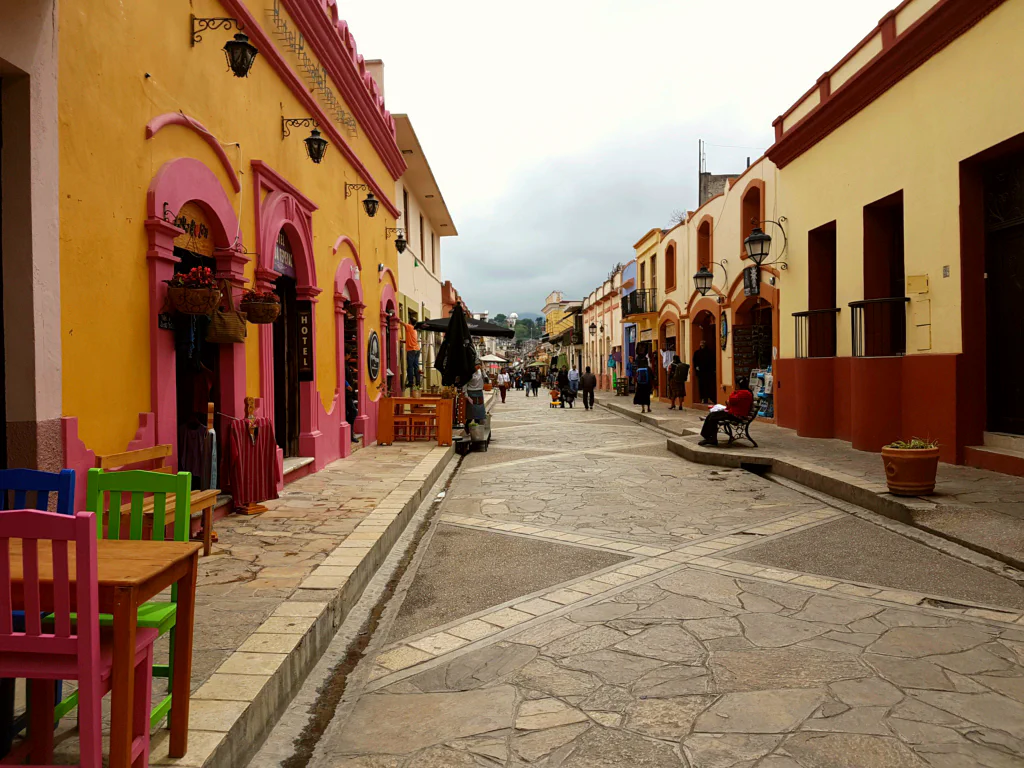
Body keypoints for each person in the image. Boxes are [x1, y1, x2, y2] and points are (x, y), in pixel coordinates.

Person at [699, 376, 754, 446]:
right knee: (712, 415)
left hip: (736, 415)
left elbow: (731, 400)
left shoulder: (744, 393)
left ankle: (710, 438)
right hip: (734, 413)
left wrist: (734, 392)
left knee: (713, 416)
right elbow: (731, 402)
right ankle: (710, 437)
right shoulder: (745, 392)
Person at [464, 362, 488, 429]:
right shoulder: (469, 373)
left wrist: (483, 370)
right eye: (477, 365)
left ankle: (477, 430)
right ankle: (467, 426)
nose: (478, 367)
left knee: (479, 413)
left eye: (479, 365)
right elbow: (465, 384)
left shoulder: (481, 372)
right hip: (471, 393)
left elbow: (486, 379)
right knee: (471, 413)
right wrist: (466, 395)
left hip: (479, 392)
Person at [693, 340, 716, 404]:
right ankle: (703, 398)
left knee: (709, 386)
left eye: (703, 345)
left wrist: (714, 370)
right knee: (701, 386)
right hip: (701, 373)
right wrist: (697, 368)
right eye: (701, 345)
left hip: (709, 372)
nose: (702, 346)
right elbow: (695, 362)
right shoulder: (697, 353)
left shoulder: (710, 353)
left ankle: (709, 398)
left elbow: (713, 361)